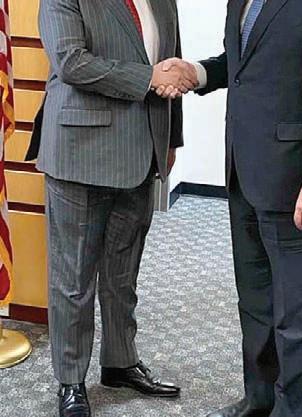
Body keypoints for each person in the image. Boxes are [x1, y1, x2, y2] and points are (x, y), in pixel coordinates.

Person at [158, 0, 302, 416]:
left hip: (299, 184)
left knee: (298, 316)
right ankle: (259, 401)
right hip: (245, 173)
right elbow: (242, 66)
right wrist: (197, 72)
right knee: (256, 304)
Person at [30, 1, 198, 416]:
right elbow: (72, 62)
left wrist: (172, 140)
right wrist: (148, 78)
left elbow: (171, 62)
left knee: (123, 272)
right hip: (79, 151)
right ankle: (71, 380)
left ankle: (120, 362)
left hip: (143, 151)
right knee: (74, 278)